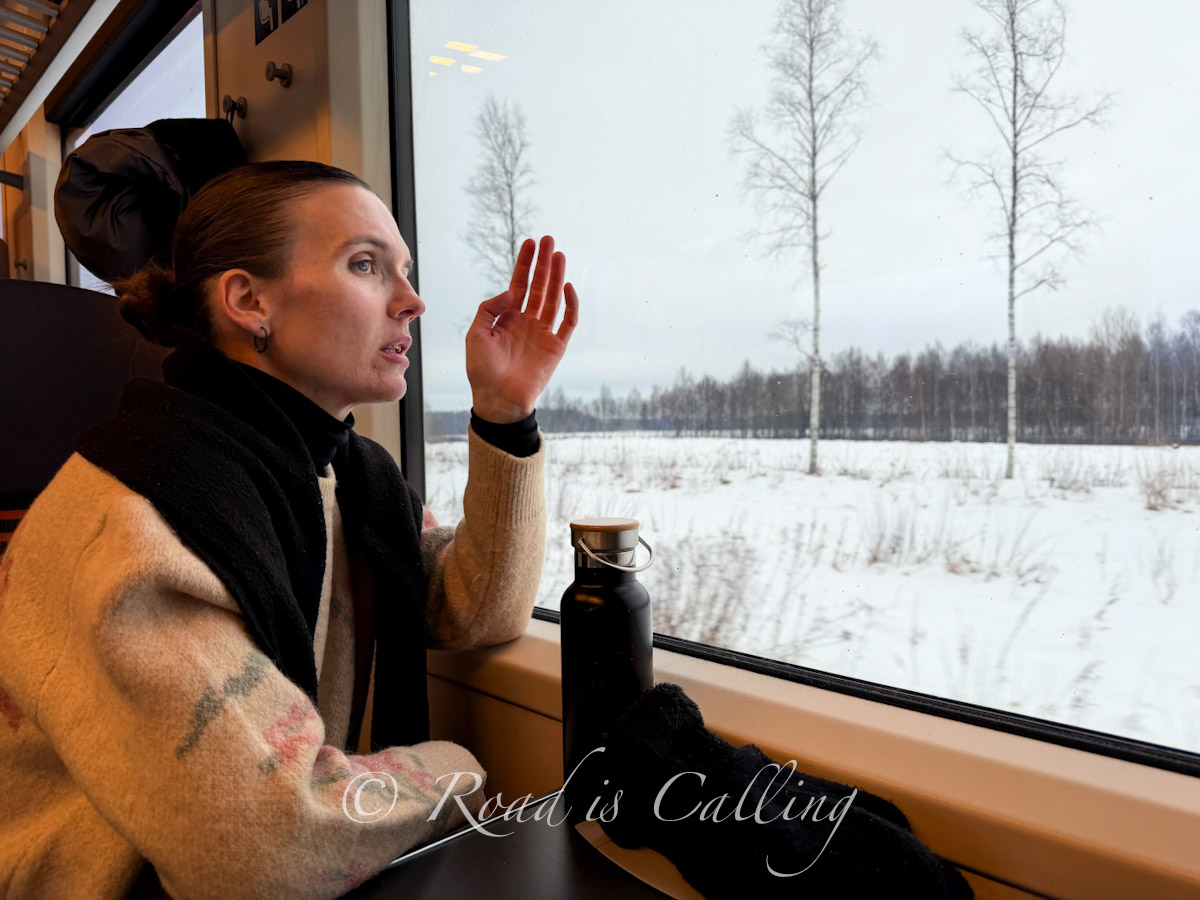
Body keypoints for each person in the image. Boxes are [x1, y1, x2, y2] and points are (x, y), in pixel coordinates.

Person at [0, 160, 578, 899]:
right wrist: (459, 772)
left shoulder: (344, 475)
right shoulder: (141, 516)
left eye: (405, 271)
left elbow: (477, 605)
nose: (412, 301)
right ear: (249, 300)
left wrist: (505, 415)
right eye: (365, 265)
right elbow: (265, 843)